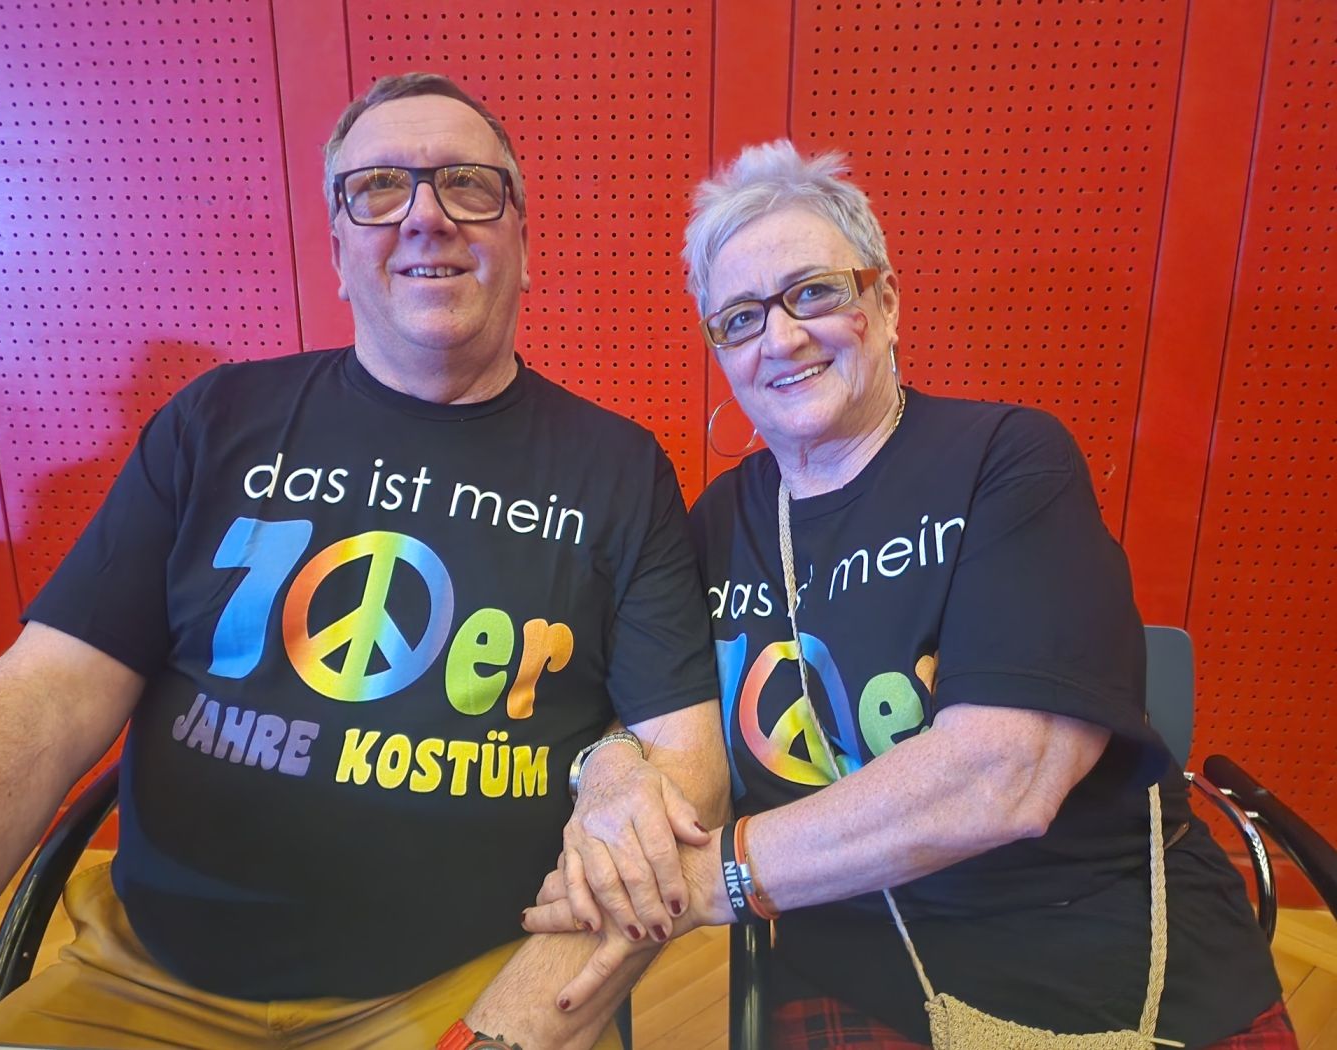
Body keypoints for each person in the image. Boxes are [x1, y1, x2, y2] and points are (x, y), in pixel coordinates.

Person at [0, 72, 727, 1050]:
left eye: (468, 185)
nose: (426, 216)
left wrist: (498, 1034)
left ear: (523, 247)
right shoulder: (214, 422)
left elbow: (685, 767)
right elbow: (42, 697)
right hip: (146, 978)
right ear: (339, 252)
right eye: (379, 188)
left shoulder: (619, 470)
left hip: (468, 979)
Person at [524, 140, 1294, 1049]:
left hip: (1112, 961)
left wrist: (712, 879)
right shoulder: (719, 521)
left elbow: (1006, 775)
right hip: (855, 962)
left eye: (814, 292)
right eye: (739, 318)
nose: (780, 337)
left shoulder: (1008, 460)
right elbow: (663, 706)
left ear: (884, 302)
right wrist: (609, 772)